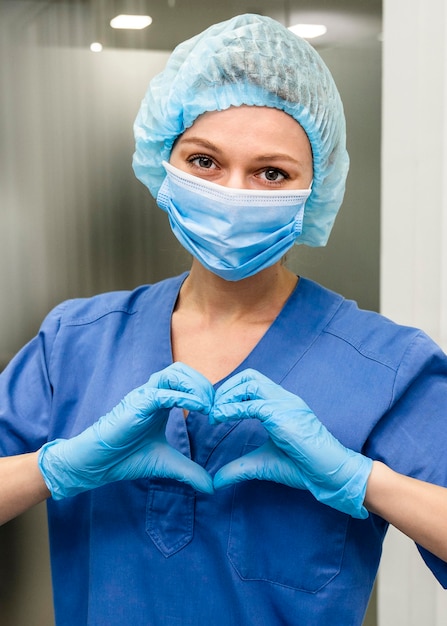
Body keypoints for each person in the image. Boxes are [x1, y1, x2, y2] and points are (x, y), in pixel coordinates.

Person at [0, 12, 446, 626]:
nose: (234, 193)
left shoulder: (386, 364)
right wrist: (57, 467)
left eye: (271, 173)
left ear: (316, 188)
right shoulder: (76, 341)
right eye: (205, 161)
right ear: (164, 165)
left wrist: (360, 480)